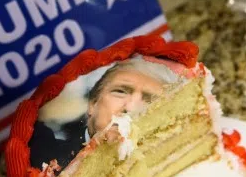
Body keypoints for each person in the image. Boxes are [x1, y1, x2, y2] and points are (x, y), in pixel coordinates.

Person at [29, 57, 180, 169]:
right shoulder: (47, 157)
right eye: (120, 92)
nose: (131, 107)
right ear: (93, 104)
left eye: (150, 100)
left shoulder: (173, 149)